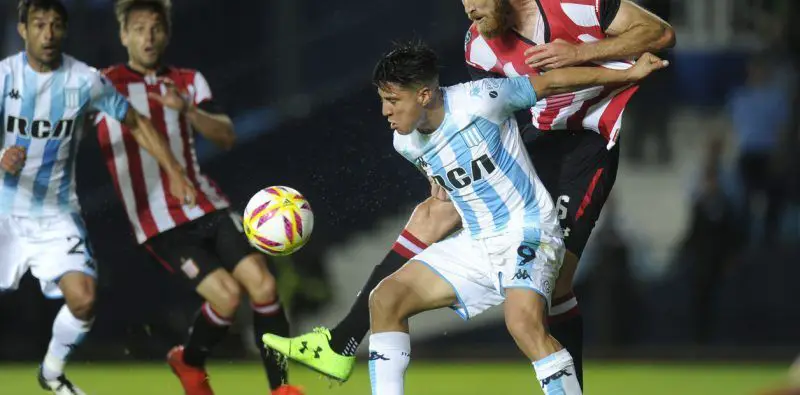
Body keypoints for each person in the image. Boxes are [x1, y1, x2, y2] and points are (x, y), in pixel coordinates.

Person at [263, 0, 675, 387]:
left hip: (584, 142)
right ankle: (342, 341)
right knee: (433, 211)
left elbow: (659, 34)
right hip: (536, 134)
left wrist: (578, 54)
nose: (469, 11)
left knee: (557, 281)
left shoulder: (573, 4)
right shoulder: (479, 44)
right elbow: (487, 114)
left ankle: (572, 387)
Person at [369, 41, 665, 395]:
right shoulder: (404, 143)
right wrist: (439, 182)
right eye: (383, 100)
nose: (385, 111)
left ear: (423, 94)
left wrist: (627, 73)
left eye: (393, 100)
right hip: (477, 244)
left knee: (523, 323)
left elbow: (552, 83)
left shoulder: (481, 99)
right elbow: (440, 170)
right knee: (385, 299)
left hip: (528, 232)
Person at [94, 1, 301, 394]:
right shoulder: (103, 84)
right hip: (159, 221)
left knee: (264, 286)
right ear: (123, 35)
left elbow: (225, 135)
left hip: (208, 204)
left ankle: (280, 389)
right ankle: (188, 362)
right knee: (226, 297)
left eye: (155, 28)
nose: (148, 37)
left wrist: (187, 109)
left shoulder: (188, 81)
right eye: (138, 29)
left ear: (167, 33)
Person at [0, 1, 195, 394]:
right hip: (3, 209)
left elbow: (136, 122)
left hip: (55, 213)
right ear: (23, 30)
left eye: (56, 25)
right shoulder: (4, 77)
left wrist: (174, 171)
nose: (48, 34)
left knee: (84, 299)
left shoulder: (84, 81)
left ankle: (51, 373)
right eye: (39, 25)